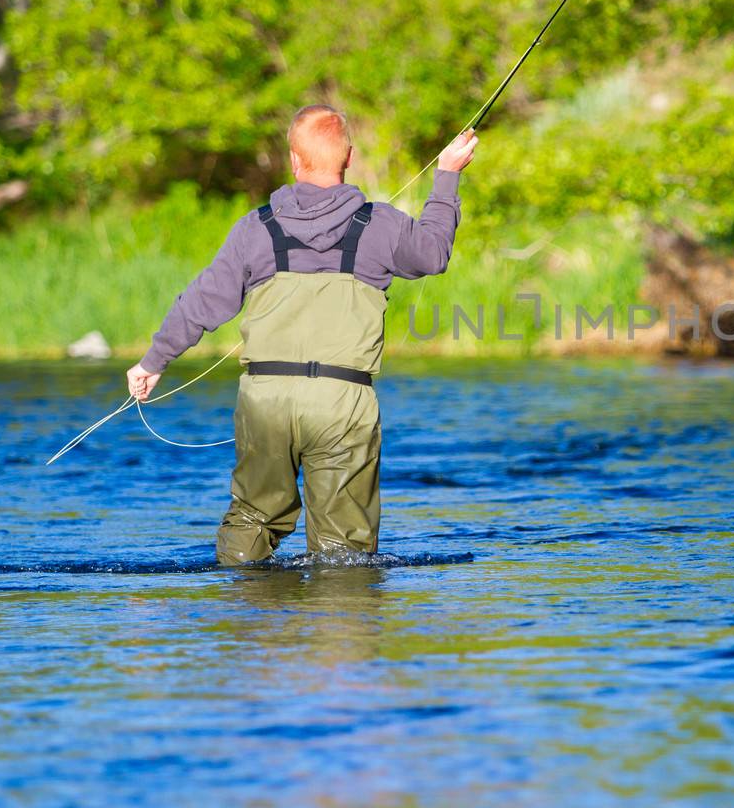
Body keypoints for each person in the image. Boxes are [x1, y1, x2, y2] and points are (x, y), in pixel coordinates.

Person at [126, 105, 478, 565]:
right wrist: (447, 174)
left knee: (252, 520)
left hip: (265, 399)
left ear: (294, 159)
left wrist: (153, 362)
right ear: (348, 157)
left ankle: (251, 625)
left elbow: (202, 300)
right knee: (343, 551)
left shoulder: (255, 228)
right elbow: (433, 255)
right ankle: (338, 626)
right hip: (341, 400)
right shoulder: (383, 225)